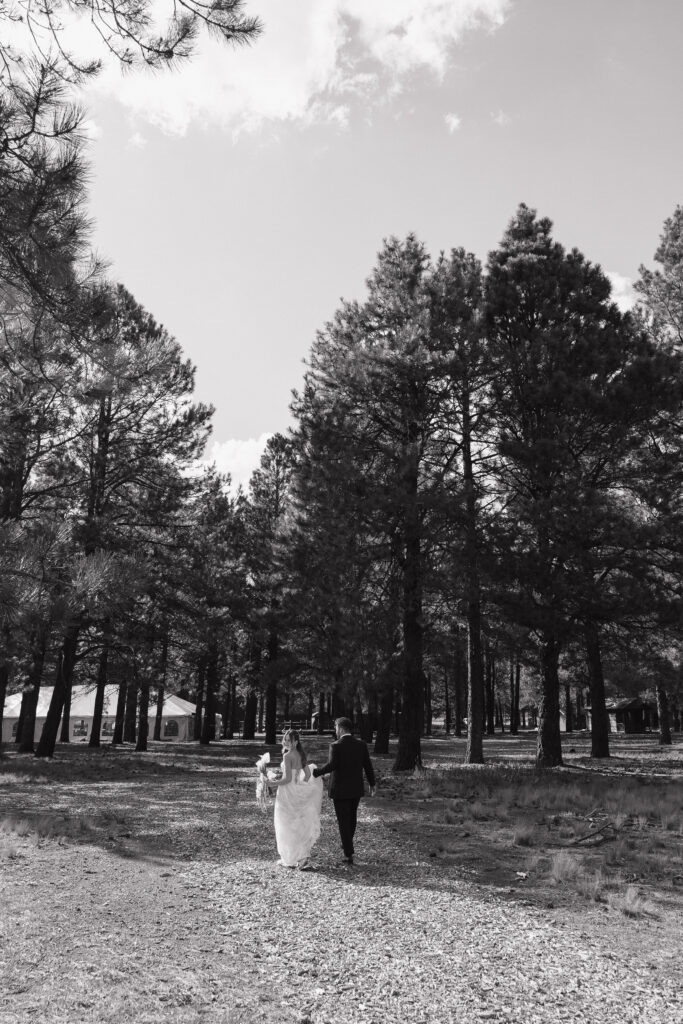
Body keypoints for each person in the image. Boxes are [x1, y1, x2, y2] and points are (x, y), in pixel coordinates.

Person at [313, 717, 375, 866]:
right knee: (352, 819)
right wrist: (372, 784)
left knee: (343, 821)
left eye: (335, 727)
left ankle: (348, 853)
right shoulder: (361, 745)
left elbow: (332, 765)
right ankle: (348, 843)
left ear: (340, 728)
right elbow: (368, 765)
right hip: (355, 789)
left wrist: (316, 772)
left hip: (340, 789)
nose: (335, 730)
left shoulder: (336, 745)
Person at [268, 728, 323, 870]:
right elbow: (307, 774)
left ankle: (290, 858)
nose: (286, 742)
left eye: (289, 740)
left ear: (296, 741)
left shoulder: (287, 756)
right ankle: (301, 857)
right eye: (285, 739)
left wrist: (273, 783)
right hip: (296, 790)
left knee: (286, 822)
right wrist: (300, 785)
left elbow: (286, 779)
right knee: (298, 823)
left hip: (286, 793)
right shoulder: (300, 754)